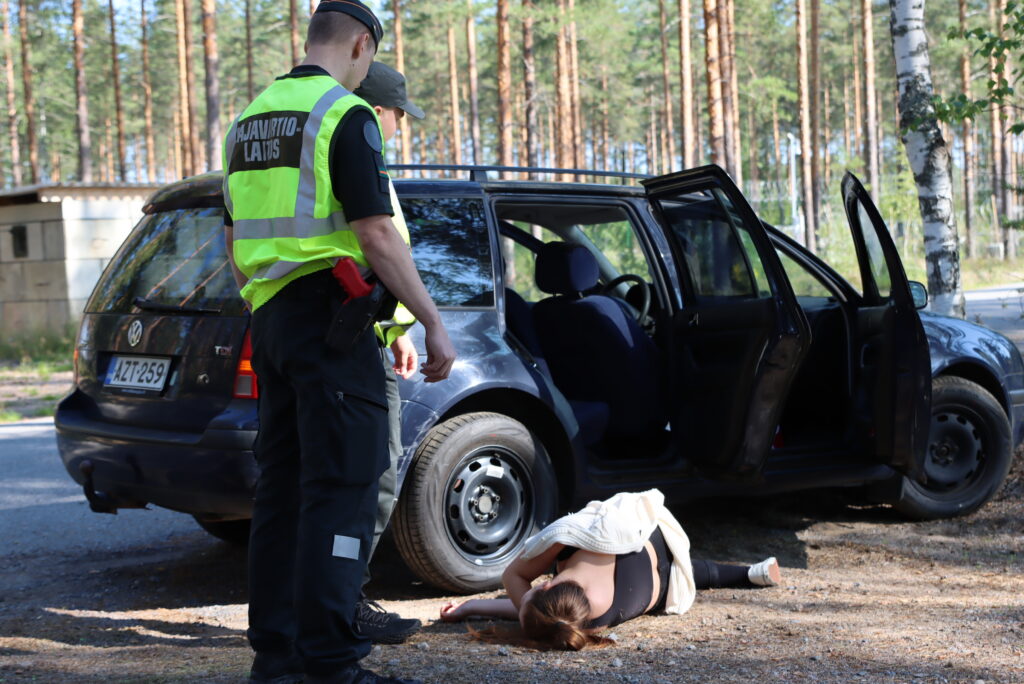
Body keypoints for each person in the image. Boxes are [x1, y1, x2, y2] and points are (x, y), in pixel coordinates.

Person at [222, 2, 455, 683]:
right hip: (333, 322)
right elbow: (376, 232)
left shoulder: (247, 122)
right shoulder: (344, 115)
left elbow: (234, 241)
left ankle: (277, 658)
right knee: (345, 490)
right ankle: (331, 663)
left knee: (282, 494)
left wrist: (265, 302)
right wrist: (430, 320)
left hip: (272, 322)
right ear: (360, 46)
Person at [437, 490, 780, 650]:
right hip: (657, 538)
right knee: (680, 562)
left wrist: (472, 606)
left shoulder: (588, 623)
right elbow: (513, 578)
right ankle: (751, 571)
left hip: (665, 586)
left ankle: (749, 573)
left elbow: (542, 615)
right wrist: (498, 604)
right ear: (545, 587)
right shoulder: (567, 543)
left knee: (695, 572)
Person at [345, 61, 426, 645]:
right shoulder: (361, 159)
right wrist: (428, 321)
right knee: (372, 474)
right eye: (401, 114)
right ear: (379, 111)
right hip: (351, 345)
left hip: (354, 333)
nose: (402, 124)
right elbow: (376, 245)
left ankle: (328, 601)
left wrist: (395, 329)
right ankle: (346, 601)